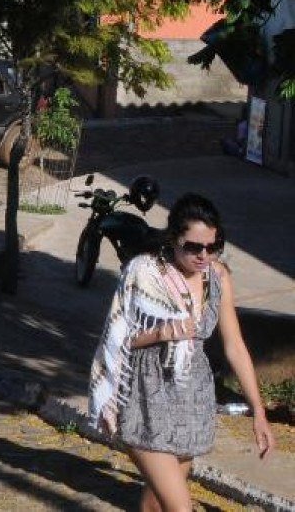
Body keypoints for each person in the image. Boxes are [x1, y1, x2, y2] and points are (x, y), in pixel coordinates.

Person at [89, 193, 274, 510]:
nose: (204, 255)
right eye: (194, 247)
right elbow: (115, 340)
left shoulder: (218, 277)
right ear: (173, 239)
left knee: (155, 505)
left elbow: (235, 345)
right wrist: (162, 332)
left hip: (191, 402)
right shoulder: (144, 273)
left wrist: (258, 410)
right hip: (145, 397)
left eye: (212, 247)